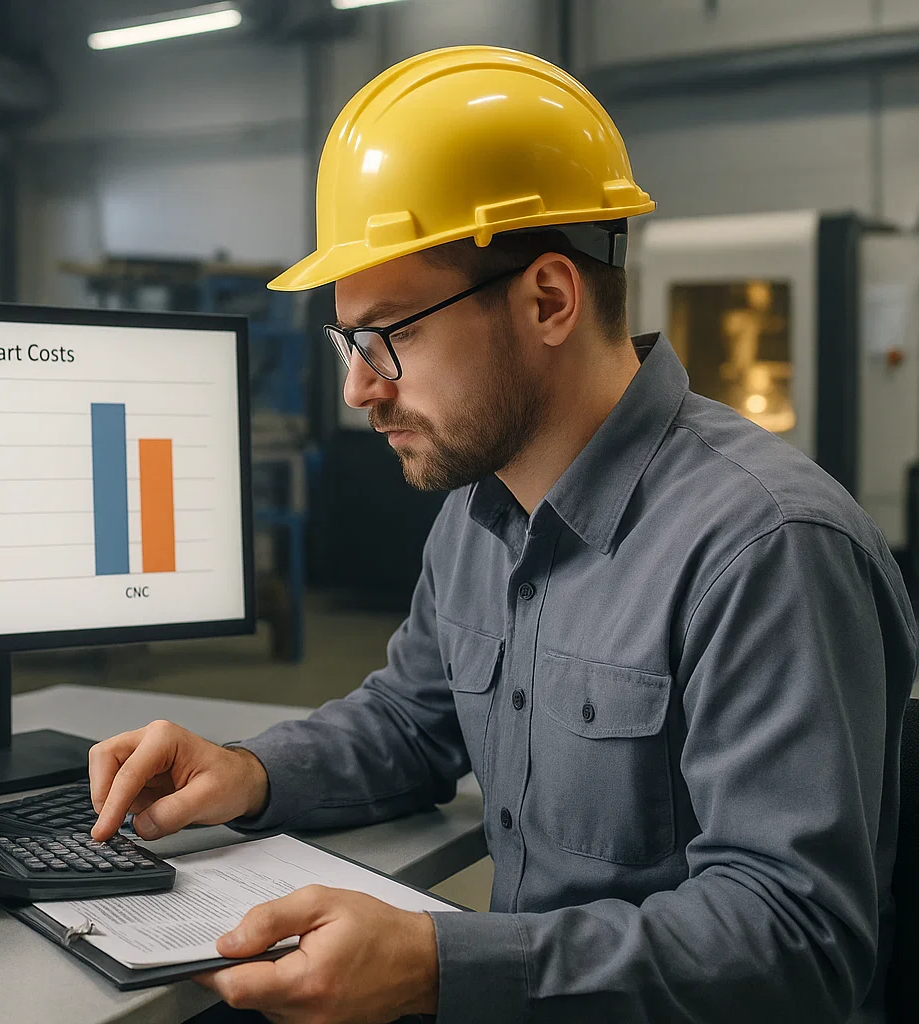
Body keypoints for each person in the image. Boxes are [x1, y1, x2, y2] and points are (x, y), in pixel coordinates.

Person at [88, 45, 916, 1023]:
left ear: (549, 300)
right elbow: (411, 719)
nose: (358, 388)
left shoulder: (764, 548)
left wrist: (441, 966)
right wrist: (250, 772)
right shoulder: (479, 513)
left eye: (391, 334)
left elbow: (795, 937)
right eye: (349, 341)